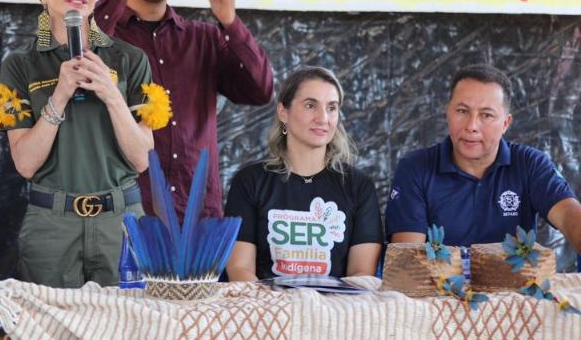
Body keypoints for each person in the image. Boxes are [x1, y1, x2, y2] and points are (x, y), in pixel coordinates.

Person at [0, 0, 154, 288]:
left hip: (121, 221)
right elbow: (25, 163)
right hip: (52, 224)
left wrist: (112, 97)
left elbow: (142, 159)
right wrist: (59, 95)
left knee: (126, 334)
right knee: (52, 339)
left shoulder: (129, 60)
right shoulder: (20, 65)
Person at [95, 0, 274, 220]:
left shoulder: (204, 38)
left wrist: (229, 20)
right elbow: (77, 52)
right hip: (126, 211)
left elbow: (260, 90)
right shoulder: (106, 32)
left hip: (197, 212)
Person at [387, 64, 581, 250]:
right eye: (462, 111)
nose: (471, 126)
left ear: (506, 123)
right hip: (437, 283)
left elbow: (568, 215)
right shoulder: (414, 168)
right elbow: (408, 259)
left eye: (486, 115)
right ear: (448, 113)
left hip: (514, 283)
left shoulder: (530, 164)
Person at [225, 67, 382, 281]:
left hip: (334, 311)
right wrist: (280, 311)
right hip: (269, 309)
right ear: (283, 112)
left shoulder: (358, 187)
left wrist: (318, 311)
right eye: (310, 105)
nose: (323, 118)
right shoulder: (250, 182)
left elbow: (362, 275)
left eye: (332, 108)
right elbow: (240, 270)